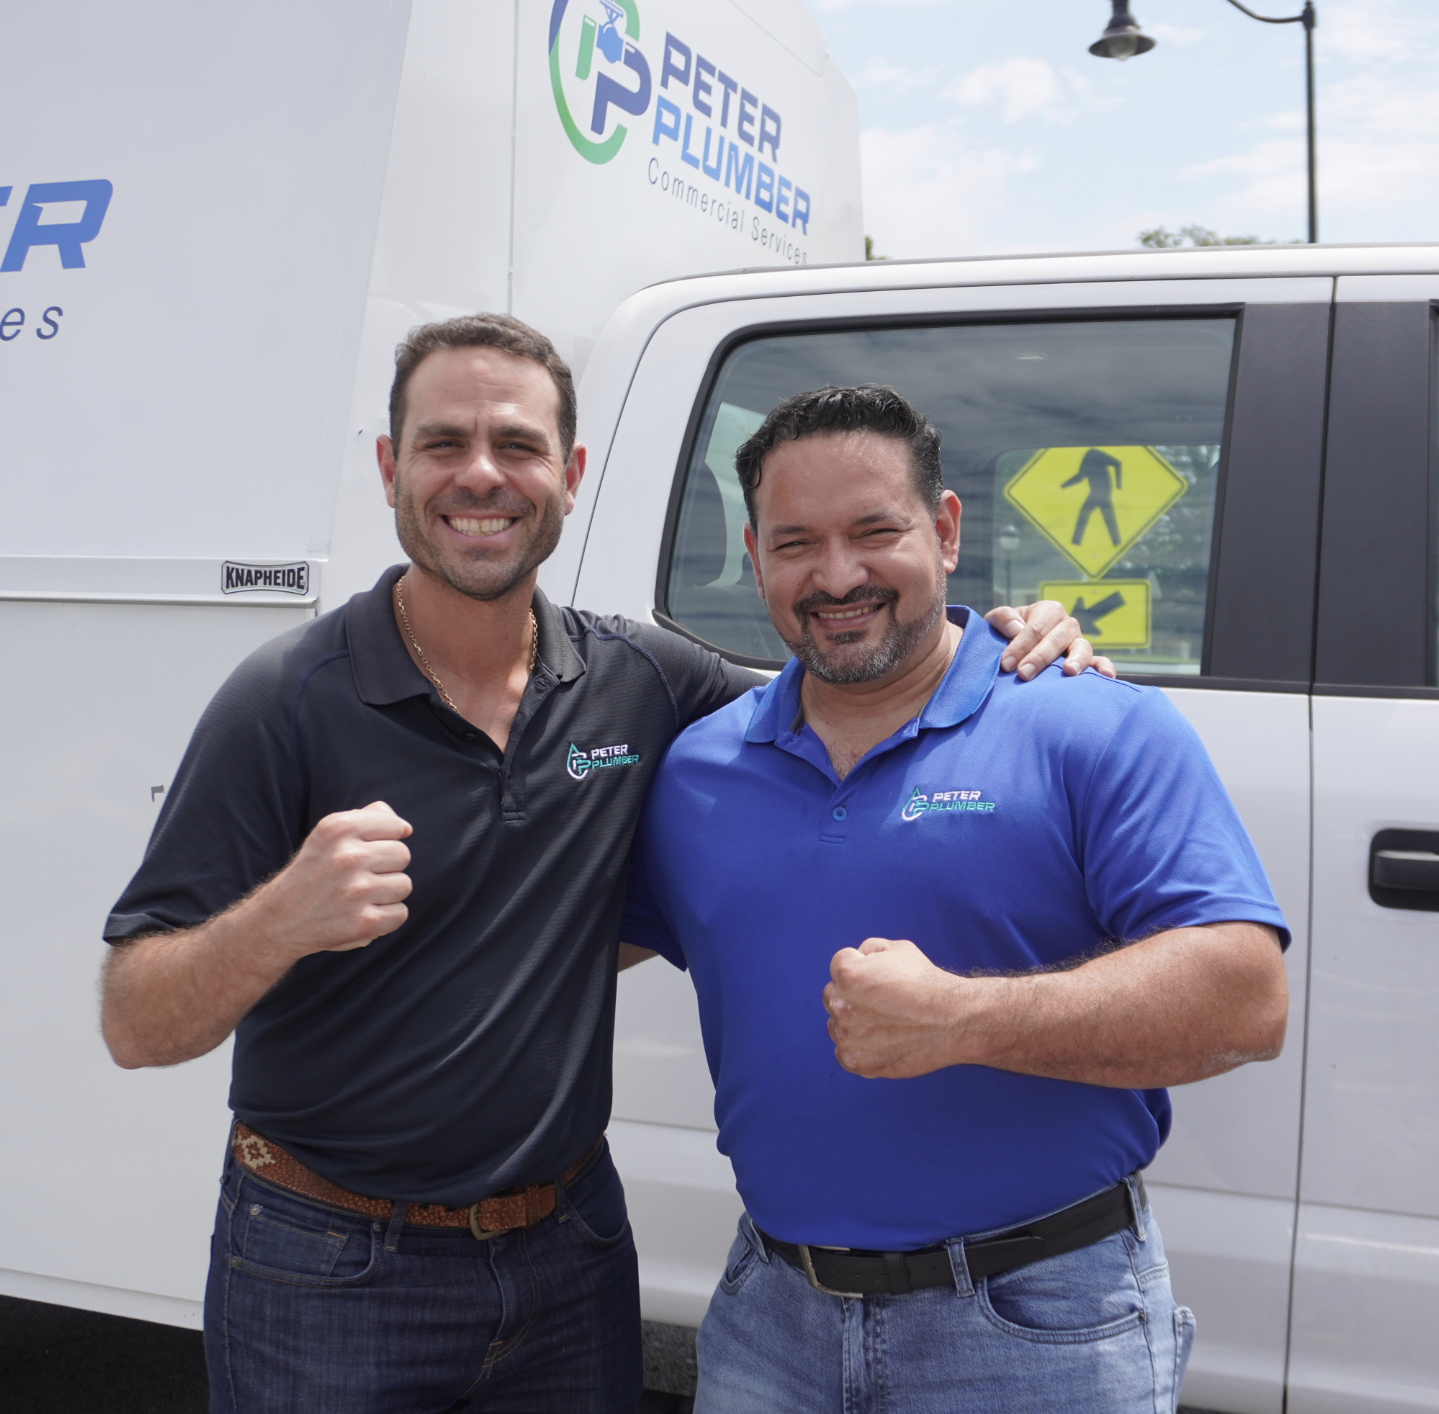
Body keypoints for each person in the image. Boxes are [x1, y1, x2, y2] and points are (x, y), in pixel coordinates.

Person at [95, 316, 1105, 1414]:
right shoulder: (283, 699)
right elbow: (136, 1022)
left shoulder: (642, 680)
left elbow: (843, 680)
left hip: (565, 1248)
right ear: (390, 469)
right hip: (329, 1258)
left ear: (569, 477)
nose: (481, 474)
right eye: (443, 444)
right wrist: (279, 916)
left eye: (517, 446)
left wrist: (1015, 635)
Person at [619, 384, 1291, 1413]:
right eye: (795, 541)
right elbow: (563, 946)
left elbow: (1244, 999)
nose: (835, 574)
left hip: (1034, 1327)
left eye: (873, 531)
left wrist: (964, 1017)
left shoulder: (1087, 726)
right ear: (753, 557)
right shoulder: (698, 768)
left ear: (942, 532)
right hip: (770, 1323)